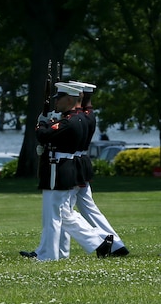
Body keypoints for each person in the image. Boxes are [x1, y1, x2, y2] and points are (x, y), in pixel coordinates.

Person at [24, 82, 115, 261]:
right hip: (64, 168)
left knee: (56, 216)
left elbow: (43, 135)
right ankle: (58, 252)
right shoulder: (77, 119)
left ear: (70, 99)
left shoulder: (69, 121)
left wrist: (41, 125)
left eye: (59, 98)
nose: (56, 101)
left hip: (58, 169)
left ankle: (95, 242)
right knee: (62, 214)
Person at [65, 81, 128, 256]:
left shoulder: (79, 116)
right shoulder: (88, 115)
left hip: (74, 163)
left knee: (65, 211)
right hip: (81, 161)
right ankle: (116, 245)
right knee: (87, 208)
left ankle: (102, 241)